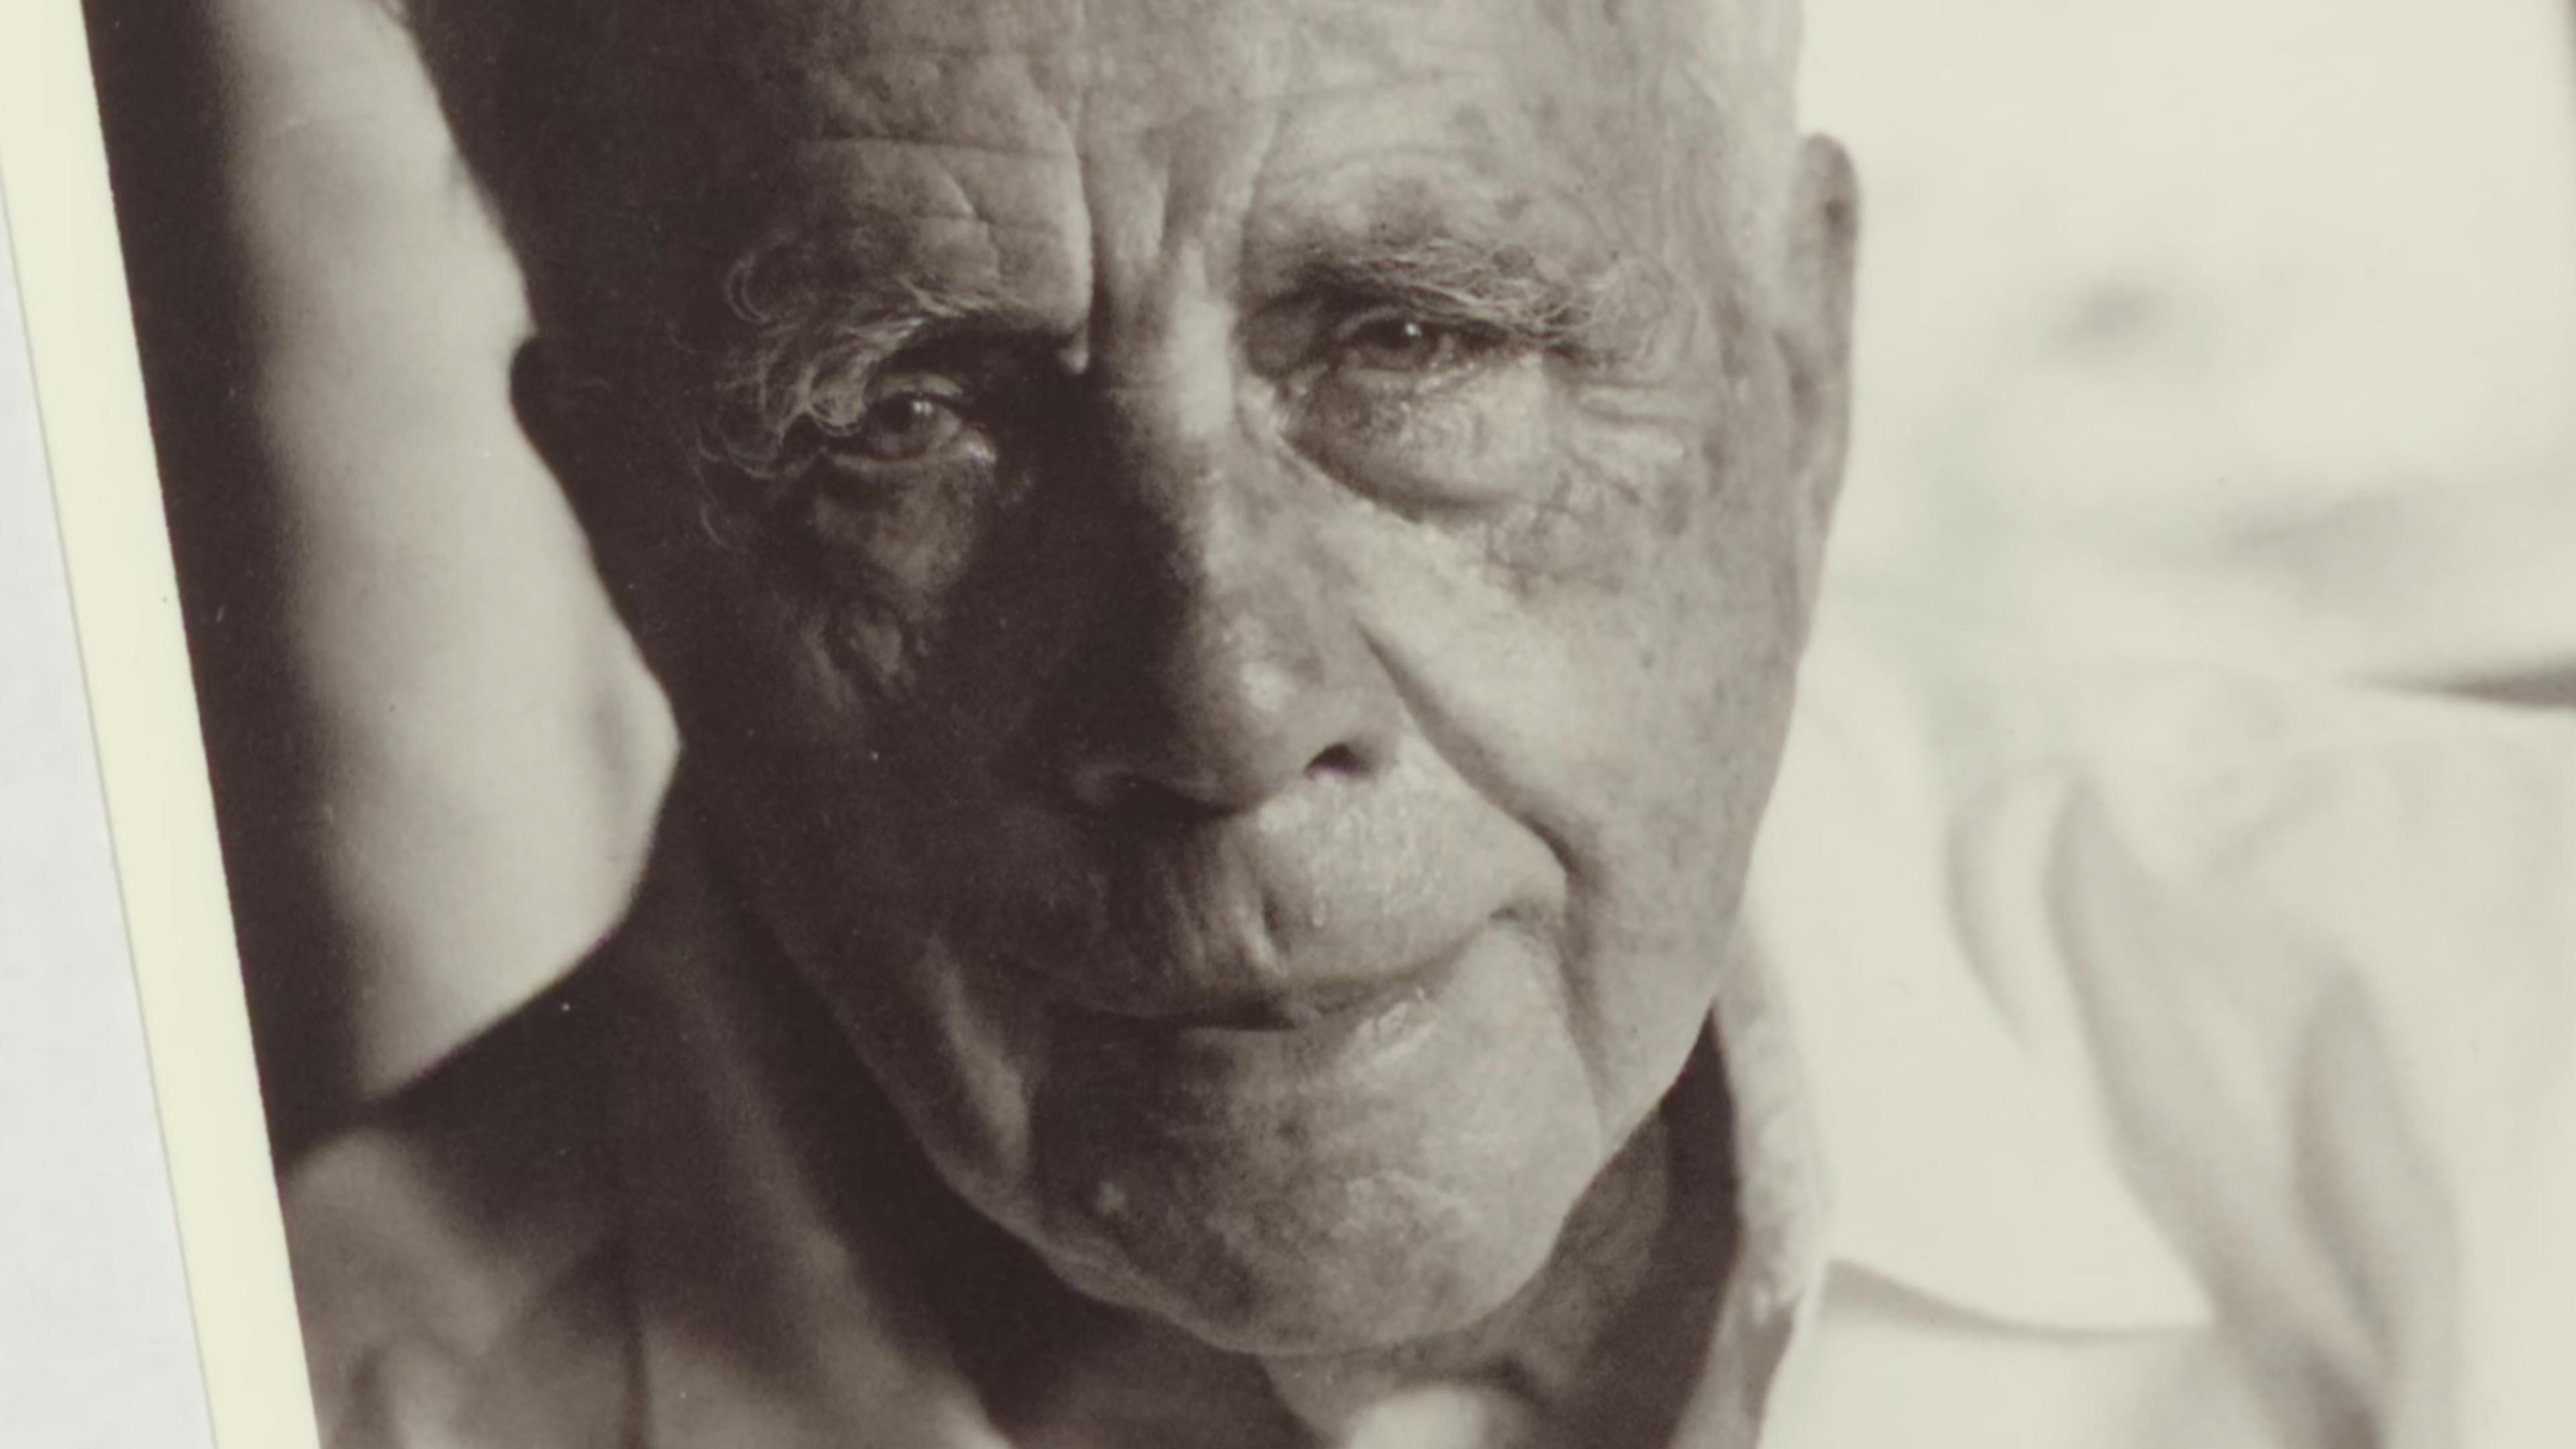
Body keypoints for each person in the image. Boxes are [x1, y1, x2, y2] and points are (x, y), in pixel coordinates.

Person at [280, 0, 2576, 1444]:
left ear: (1802, 374)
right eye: (909, 417)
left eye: (1413, 344)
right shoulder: (229, 1380)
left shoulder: (2503, 1034)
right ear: (619, 528)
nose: (1227, 703)